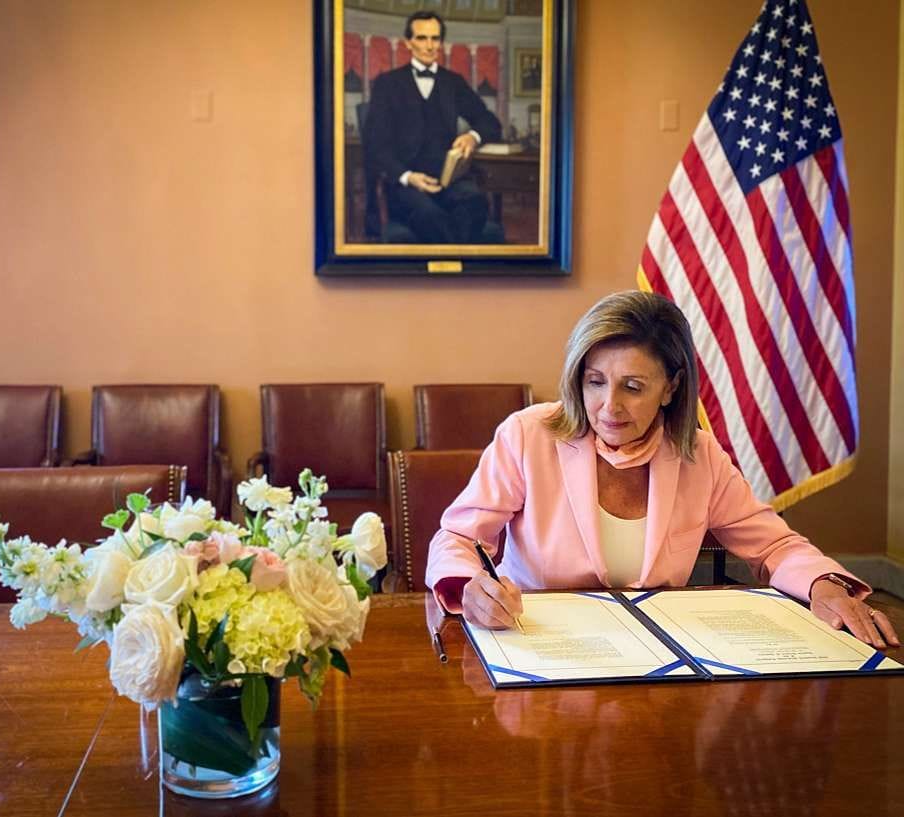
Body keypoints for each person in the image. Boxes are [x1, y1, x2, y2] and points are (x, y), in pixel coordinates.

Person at [425, 290, 899, 648]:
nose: (608, 406)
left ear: (671, 388)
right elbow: (458, 538)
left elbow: (774, 545)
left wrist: (823, 584)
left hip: (655, 655)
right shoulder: (528, 435)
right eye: (595, 382)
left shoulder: (698, 453)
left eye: (632, 387)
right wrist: (470, 587)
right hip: (540, 646)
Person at [363, 11, 502, 244]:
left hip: (450, 183)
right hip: (407, 185)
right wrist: (408, 177)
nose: (429, 46)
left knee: (475, 203)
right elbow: (375, 145)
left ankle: (448, 258)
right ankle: (459, 263)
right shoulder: (387, 84)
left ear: (441, 43)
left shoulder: (453, 82)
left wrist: (472, 136)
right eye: (421, 38)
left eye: (435, 38)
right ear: (408, 43)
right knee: (429, 216)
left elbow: (490, 122)